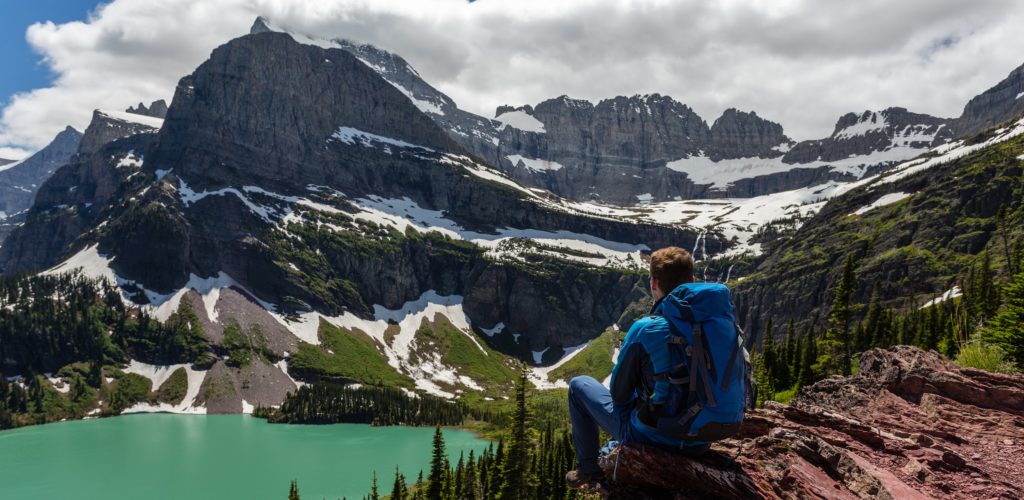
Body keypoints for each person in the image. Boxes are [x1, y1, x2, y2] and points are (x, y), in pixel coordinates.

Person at [565, 246, 745, 488]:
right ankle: (613, 450)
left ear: (653, 283)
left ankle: (589, 471)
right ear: (692, 280)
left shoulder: (647, 328)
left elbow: (619, 396)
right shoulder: (723, 322)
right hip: (706, 436)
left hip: (659, 436)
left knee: (579, 386)